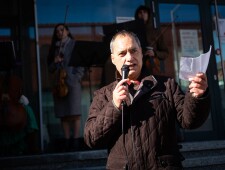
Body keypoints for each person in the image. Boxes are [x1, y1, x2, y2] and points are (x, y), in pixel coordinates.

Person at [83, 30, 210, 169]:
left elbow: (189, 121)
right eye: (122, 53)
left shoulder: (167, 85)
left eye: (134, 51)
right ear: (113, 59)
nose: (129, 57)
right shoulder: (103, 95)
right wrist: (114, 106)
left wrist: (197, 96)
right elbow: (91, 139)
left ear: (141, 54)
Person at [47, 23, 84, 151]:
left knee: (74, 113)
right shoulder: (54, 48)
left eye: (62, 30)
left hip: (72, 83)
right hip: (59, 84)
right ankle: (67, 141)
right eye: (57, 31)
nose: (59, 32)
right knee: (63, 114)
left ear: (67, 32)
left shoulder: (74, 44)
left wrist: (76, 78)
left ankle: (76, 141)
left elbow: (80, 64)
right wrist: (54, 62)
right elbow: (50, 69)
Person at [135, 5, 169, 75]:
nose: (142, 14)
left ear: (148, 15)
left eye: (145, 12)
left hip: (152, 65)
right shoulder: (133, 33)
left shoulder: (155, 32)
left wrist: (155, 53)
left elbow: (165, 53)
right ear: (137, 15)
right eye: (140, 13)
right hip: (137, 66)